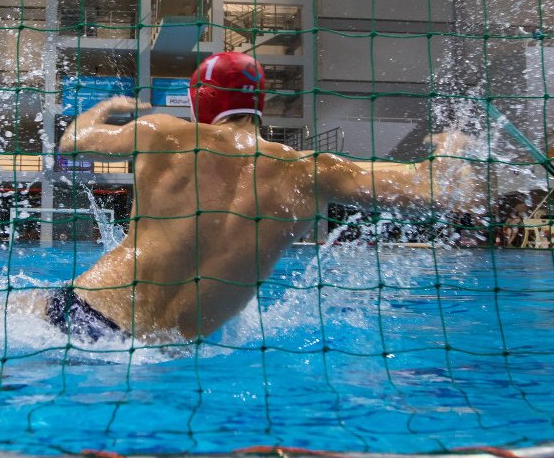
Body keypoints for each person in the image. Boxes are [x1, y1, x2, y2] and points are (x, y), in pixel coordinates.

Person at [30, 51, 479, 342]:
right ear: (260, 101)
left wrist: (102, 109)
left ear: (199, 99)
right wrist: (455, 144)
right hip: (165, 352)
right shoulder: (313, 171)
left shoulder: (162, 133)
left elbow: (73, 141)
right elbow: (437, 191)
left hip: (87, 315)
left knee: (11, 311)